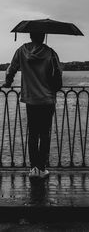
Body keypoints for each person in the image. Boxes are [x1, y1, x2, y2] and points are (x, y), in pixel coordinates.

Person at [2, 32, 62, 179]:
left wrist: (8, 82)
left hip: (31, 100)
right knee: (45, 134)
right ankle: (42, 168)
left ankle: (33, 168)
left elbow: (11, 68)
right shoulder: (50, 52)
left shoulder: (22, 50)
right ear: (42, 36)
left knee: (33, 134)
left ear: (30, 35)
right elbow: (58, 74)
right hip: (47, 100)